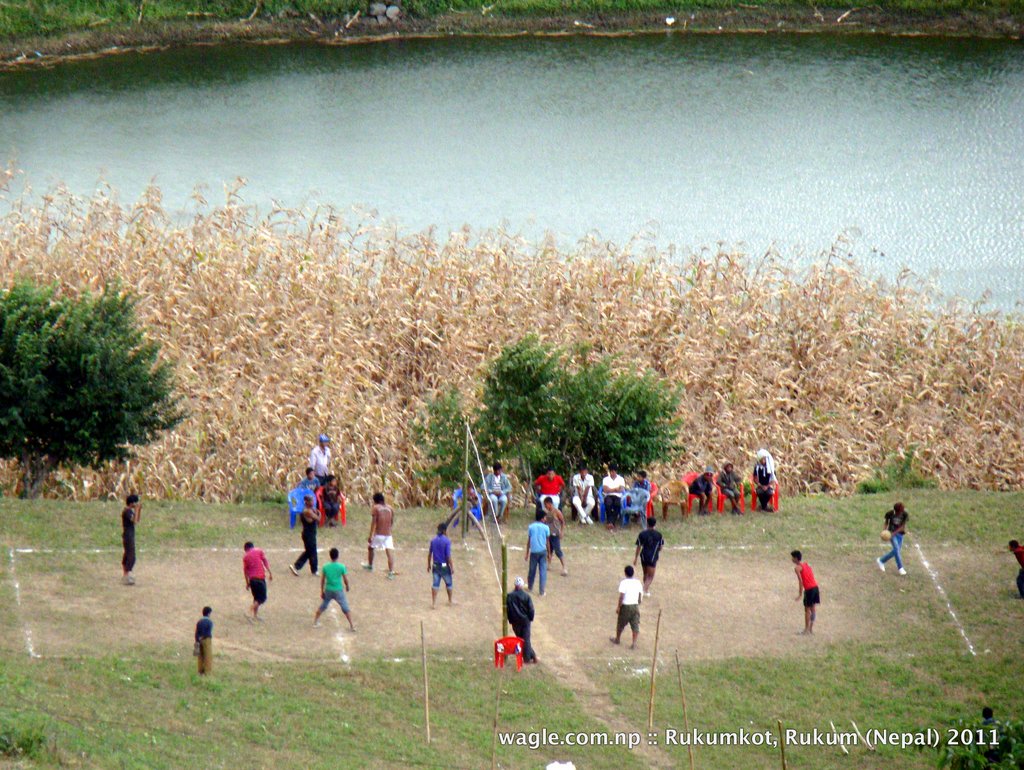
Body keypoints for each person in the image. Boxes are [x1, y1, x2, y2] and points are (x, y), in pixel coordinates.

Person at [314, 548, 355, 630]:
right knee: (345, 607)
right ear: (338, 556)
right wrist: (347, 586)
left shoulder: (325, 567)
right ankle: (351, 625)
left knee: (323, 605)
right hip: (338, 590)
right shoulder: (341, 567)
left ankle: (315, 621)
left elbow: (322, 580)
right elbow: (345, 579)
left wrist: (322, 591)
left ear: (330, 556)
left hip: (328, 590)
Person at [363, 492, 398, 579]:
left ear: (375, 500)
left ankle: (370, 565)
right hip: (388, 534)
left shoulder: (376, 508)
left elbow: (374, 523)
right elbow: (392, 521)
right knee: (389, 552)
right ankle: (391, 572)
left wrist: (370, 535)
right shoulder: (390, 508)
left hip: (378, 534)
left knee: (371, 548)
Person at [611, 565, 644, 649]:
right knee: (635, 625)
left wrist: (618, 607)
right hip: (635, 606)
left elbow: (621, 596)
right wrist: (639, 601)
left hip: (626, 606)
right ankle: (634, 643)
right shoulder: (637, 582)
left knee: (620, 624)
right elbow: (640, 594)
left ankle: (617, 639)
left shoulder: (624, 583)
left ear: (625, 573)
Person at [506, 576, 537, 664]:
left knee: (520, 639)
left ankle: (532, 656)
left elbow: (508, 609)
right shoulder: (526, 596)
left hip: (515, 621)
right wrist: (530, 618)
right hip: (525, 621)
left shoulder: (509, 596)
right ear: (522, 585)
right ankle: (528, 658)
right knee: (526, 639)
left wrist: (510, 620)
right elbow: (531, 609)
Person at [289, 494, 319, 577]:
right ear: (307, 502)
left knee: (311, 551)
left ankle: (314, 570)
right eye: (311, 500)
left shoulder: (310, 510)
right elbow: (318, 518)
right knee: (310, 551)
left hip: (311, 533)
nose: (313, 502)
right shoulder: (307, 511)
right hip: (308, 534)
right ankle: (296, 566)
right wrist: (318, 514)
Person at [634, 517, 665, 596]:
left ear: (647, 523)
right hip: (652, 557)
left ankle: (646, 590)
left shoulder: (642, 534)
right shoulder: (659, 535)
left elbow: (638, 546)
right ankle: (643, 590)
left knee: (645, 574)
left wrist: (636, 558)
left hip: (643, 555)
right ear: (655, 524)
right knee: (650, 576)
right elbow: (661, 547)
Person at [791, 550, 820, 635]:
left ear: (796, 558)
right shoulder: (806, 565)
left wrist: (800, 594)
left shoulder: (797, 568)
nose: (792, 559)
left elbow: (801, 581)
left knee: (807, 610)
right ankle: (810, 629)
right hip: (815, 587)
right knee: (813, 609)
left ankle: (806, 630)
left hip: (809, 589)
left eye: (792, 557)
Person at [876, 502, 908, 576]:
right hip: (891, 532)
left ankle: (881, 560)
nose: (898, 514)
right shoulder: (890, 513)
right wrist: (884, 531)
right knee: (896, 549)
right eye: (897, 512)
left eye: (899, 512)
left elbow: (902, 527)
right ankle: (900, 568)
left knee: (896, 551)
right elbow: (886, 523)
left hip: (900, 534)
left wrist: (894, 533)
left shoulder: (905, 514)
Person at [242, 541, 272, 621]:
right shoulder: (259, 551)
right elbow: (265, 562)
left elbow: (245, 571)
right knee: (262, 598)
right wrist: (270, 572)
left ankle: (255, 616)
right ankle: (248, 611)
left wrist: (247, 583)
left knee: (256, 598)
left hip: (252, 580)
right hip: (260, 579)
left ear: (246, 549)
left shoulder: (245, 557)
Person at [428, 523, 455, 608]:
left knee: (435, 584)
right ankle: (450, 600)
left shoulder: (433, 540)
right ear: (444, 531)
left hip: (435, 565)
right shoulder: (447, 541)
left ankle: (433, 603)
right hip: (444, 565)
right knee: (449, 583)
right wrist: (451, 566)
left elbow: (430, 554)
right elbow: (448, 556)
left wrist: (428, 564)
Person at [525, 509, 551, 595]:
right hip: (543, 551)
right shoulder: (546, 528)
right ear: (542, 518)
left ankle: (530, 587)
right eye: (545, 517)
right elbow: (547, 542)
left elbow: (529, 541)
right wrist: (549, 553)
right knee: (543, 571)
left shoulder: (531, 527)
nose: (546, 519)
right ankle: (542, 591)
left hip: (534, 552)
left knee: (532, 570)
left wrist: (527, 553)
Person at [543, 497, 568, 577]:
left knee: (557, 550)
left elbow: (562, 522)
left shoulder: (557, 512)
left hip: (555, 534)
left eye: (546, 504)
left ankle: (564, 567)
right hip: (549, 534)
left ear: (549, 503)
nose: (545, 506)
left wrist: (562, 532)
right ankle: (549, 564)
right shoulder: (547, 512)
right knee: (549, 550)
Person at [121, 494, 141, 585]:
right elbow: (134, 520)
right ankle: (127, 574)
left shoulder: (130, 511)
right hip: (128, 535)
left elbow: (137, 520)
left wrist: (139, 510)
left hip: (129, 535)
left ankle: (126, 574)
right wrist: (136, 510)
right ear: (131, 503)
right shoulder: (127, 511)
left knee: (127, 554)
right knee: (131, 555)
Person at [194, 606, 213, 675]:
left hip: (198, 640)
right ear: (209, 613)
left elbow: (196, 632)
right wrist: (203, 637)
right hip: (206, 639)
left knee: (200, 656)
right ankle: (207, 672)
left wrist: (197, 640)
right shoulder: (209, 622)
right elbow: (208, 632)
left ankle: (200, 671)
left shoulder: (199, 622)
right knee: (208, 656)